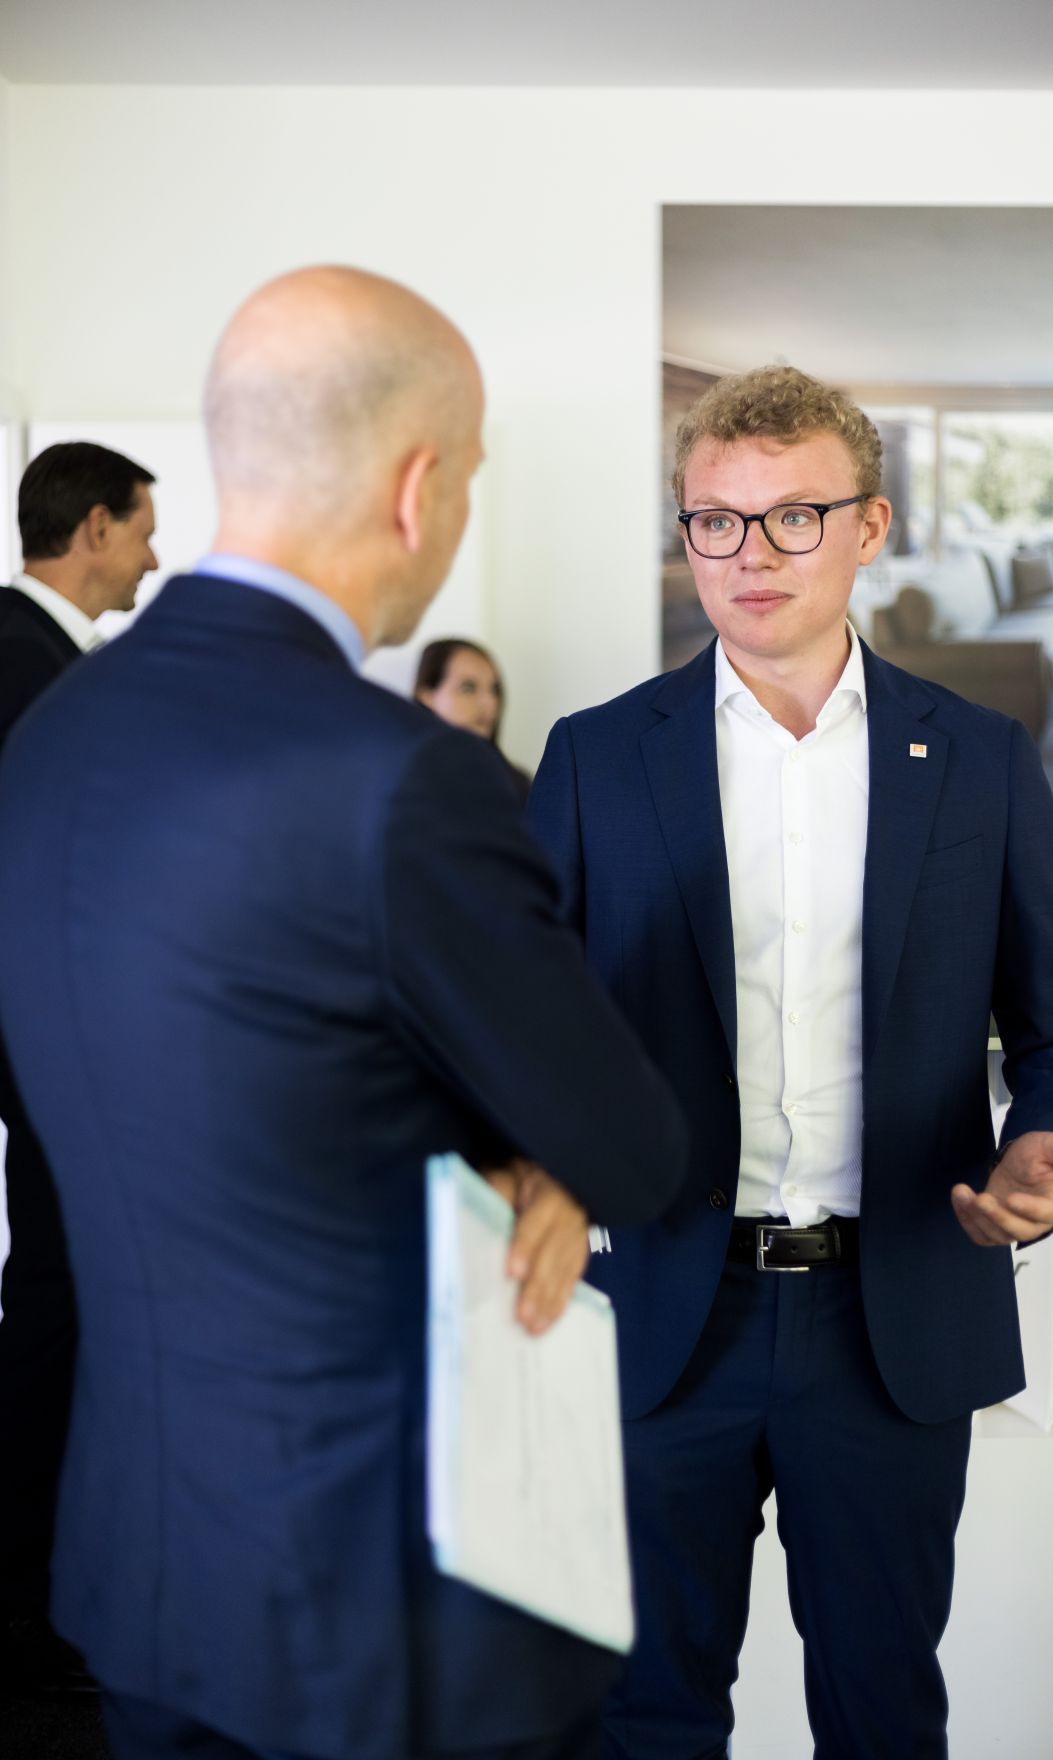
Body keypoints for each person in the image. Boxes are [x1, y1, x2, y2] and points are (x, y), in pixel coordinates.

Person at [0, 267, 688, 1760]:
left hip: (139, 1575)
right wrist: (541, 1158)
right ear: (419, 486)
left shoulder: (52, 739)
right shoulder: (403, 782)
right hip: (377, 1617)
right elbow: (631, 1145)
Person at [527, 364, 1053, 1760]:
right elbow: (525, 1029)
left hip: (892, 1315)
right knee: (650, 1717)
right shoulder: (597, 758)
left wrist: (1048, 1143)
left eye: (795, 517)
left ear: (869, 526)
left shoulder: (977, 758)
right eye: (716, 521)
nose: (750, 554)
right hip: (660, 1309)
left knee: (881, 1711)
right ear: (685, 535)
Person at [0, 440, 157, 1698]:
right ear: (94, 527)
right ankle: (39, 1604)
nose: (154, 556)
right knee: (56, 1297)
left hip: (50, 1036)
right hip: (46, 1041)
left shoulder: (46, 660)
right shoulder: (26, 664)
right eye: (144, 529)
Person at [414, 636, 531, 800]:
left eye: (494, 690)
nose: (489, 703)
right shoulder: (402, 778)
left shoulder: (517, 786)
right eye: (468, 688)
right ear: (427, 695)